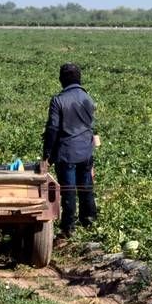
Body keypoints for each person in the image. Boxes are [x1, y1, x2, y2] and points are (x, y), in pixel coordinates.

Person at [42, 63, 97, 239]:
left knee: (69, 190)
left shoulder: (58, 100)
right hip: (86, 151)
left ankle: (68, 228)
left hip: (67, 153)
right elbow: (90, 127)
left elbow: (53, 129)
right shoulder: (88, 98)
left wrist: (47, 156)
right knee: (86, 188)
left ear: (62, 80)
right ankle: (89, 222)